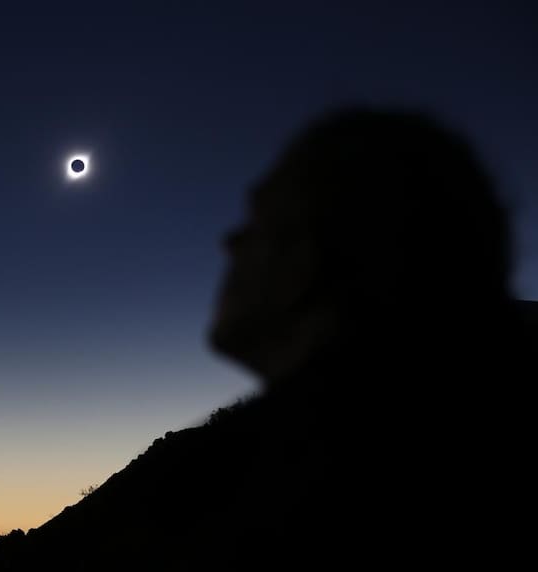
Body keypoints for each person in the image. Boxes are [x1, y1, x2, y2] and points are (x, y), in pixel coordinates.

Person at [208, 107, 531, 568]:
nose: (229, 240)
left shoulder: (301, 502)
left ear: (312, 257)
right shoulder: (460, 440)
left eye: (258, 222)